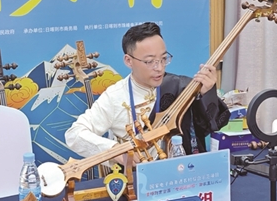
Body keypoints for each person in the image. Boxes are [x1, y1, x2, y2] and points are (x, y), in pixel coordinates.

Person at [65, 22, 229, 165]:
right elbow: (74, 135)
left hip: (183, 173)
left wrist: (206, 94)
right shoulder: (115, 96)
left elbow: (207, 127)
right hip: (139, 179)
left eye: (163, 58)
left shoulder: (180, 86)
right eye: (150, 61)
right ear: (128, 61)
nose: (159, 68)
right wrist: (116, 151)